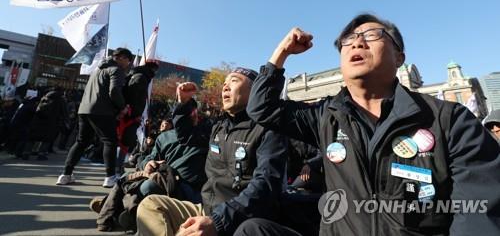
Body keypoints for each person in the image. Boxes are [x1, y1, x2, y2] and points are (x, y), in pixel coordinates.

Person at [245, 14, 500, 235]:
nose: (357, 41)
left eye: (372, 35)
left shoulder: (449, 120)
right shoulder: (326, 116)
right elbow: (261, 107)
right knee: (252, 230)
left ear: (399, 57)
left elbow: (479, 215)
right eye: (348, 39)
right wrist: (282, 52)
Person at [135, 67, 288, 236]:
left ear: (254, 91)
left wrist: (219, 220)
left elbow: (266, 185)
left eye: (234, 81)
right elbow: (186, 137)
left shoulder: (269, 130)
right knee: (151, 205)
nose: (225, 87)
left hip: (242, 219)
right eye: (224, 83)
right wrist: (184, 104)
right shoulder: (218, 127)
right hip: (207, 209)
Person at [56, 48, 133, 188]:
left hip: (84, 110)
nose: (128, 64)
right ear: (121, 58)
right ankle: (110, 177)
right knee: (110, 141)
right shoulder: (116, 70)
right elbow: (115, 91)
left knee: (81, 142)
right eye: (128, 60)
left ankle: (65, 174)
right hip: (102, 111)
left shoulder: (97, 70)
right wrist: (122, 106)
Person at [116, 60, 159, 174]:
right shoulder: (141, 77)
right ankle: (117, 168)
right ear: (152, 69)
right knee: (125, 141)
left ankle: (118, 167)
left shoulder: (139, 75)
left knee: (124, 141)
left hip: (130, 114)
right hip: (130, 115)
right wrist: (135, 114)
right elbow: (134, 97)